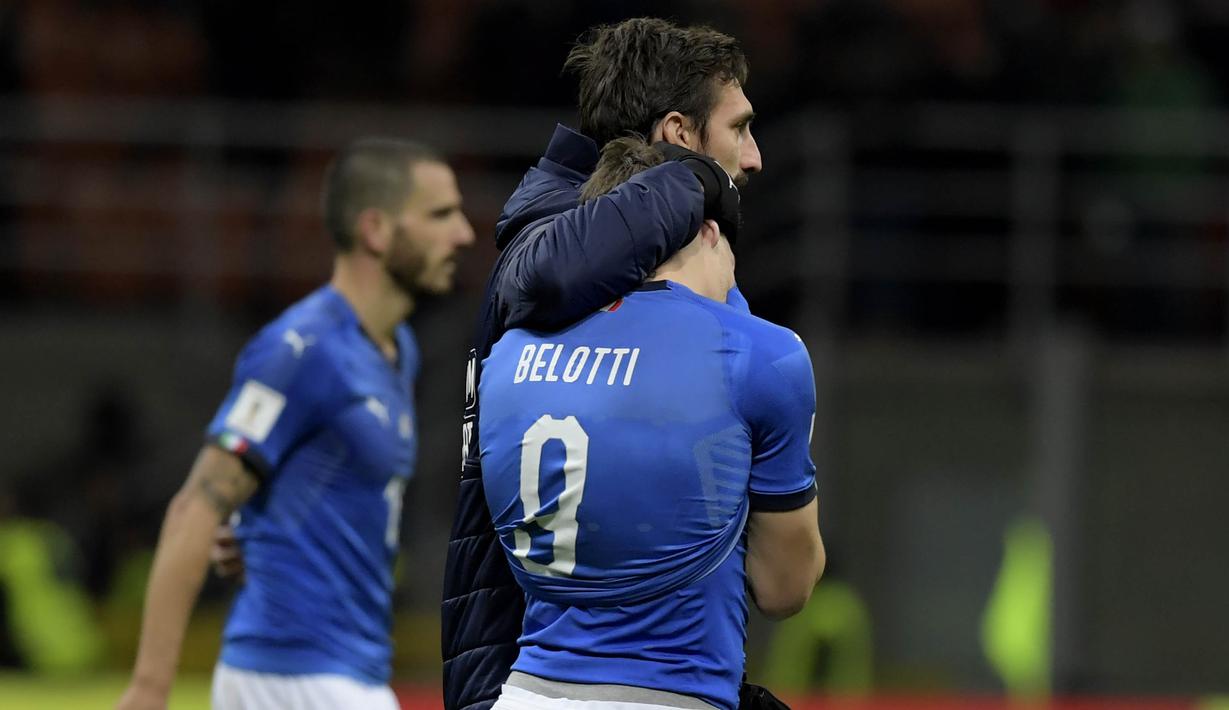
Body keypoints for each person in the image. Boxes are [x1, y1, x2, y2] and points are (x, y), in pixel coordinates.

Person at [443, 17, 772, 710]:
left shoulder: (653, 270)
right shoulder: (550, 240)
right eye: (738, 129)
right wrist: (695, 183)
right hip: (529, 672)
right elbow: (545, 273)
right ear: (679, 135)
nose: (754, 159)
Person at [117, 138, 475, 710]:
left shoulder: (397, 350)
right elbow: (196, 505)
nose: (463, 233)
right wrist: (150, 688)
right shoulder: (302, 349)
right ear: (376, 231)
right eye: (440, 214)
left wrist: (258, 532)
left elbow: (311, 486)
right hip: (291, 678)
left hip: (345, 672)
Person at [479, 137, 824, 710]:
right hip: (669, 693)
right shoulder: (760, 354)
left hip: (524, 692)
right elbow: (783, 588)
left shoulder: (509, 354)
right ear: (710, 231)